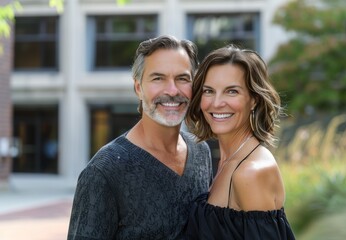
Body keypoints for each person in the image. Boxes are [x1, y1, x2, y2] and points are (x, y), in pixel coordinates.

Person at [67, 35, 213, 240]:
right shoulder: (104, 171)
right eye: (158, 78)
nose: (172, 90)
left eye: (182, 78)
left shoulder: (200, 152)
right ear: (138, 88)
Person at [184, 45, 296, 239]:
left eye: (232, 91)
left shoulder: (250, 173)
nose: (217, 103)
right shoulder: (228, 158)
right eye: (209, 91)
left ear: (253, 99)